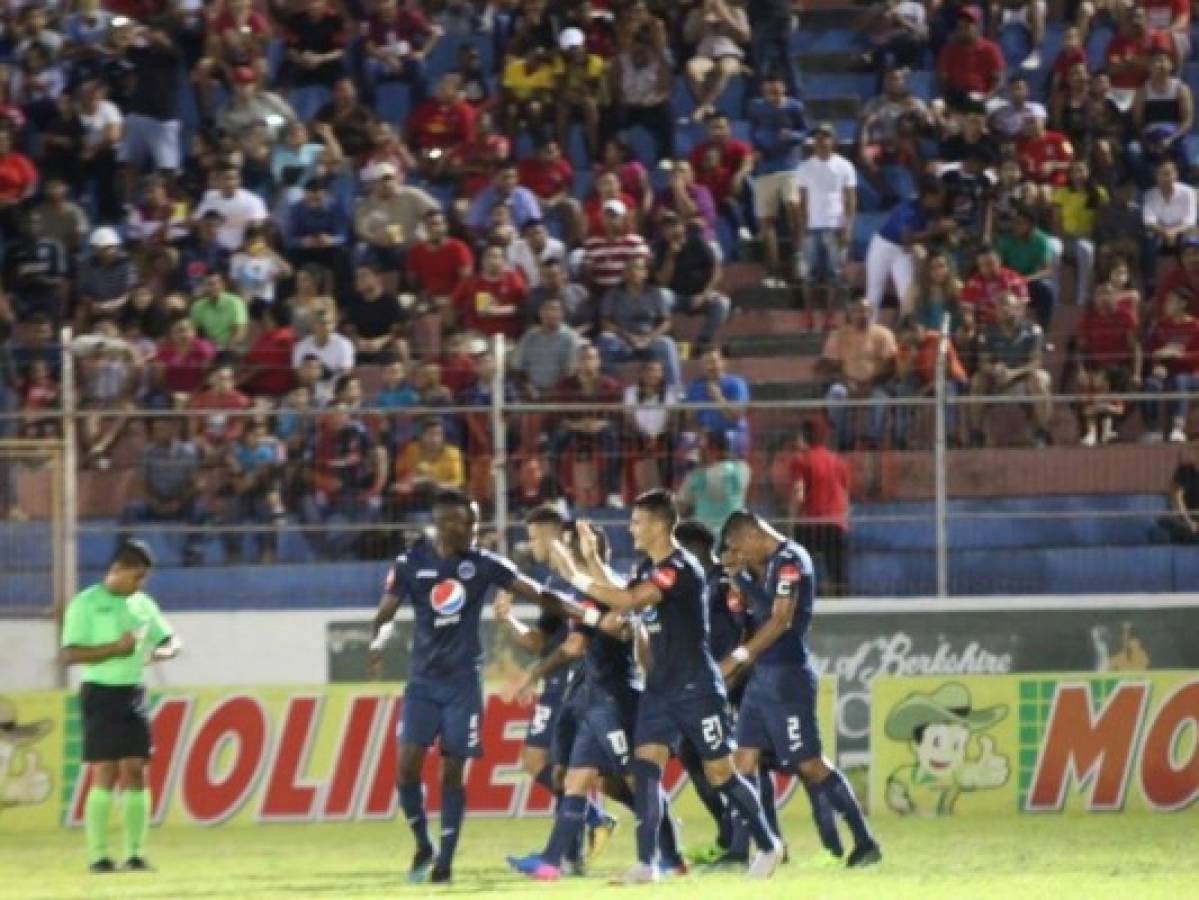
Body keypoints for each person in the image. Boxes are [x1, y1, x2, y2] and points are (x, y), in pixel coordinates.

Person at [550, 493, 783, 882]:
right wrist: (591, 560)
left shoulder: (680, 568)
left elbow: (627, 599)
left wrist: (572, 573)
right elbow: (623, 597)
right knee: (644, 770)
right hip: (659, 688)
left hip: (696, 688)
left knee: (720, 774)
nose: (631, 528)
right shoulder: (649, 567)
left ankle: (768, 844)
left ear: (658, 525)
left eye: (637, 522)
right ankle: (647, 863)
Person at [366, 489, 590, 884]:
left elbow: (538, 594)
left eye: (473, 521)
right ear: (439, 523)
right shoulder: (410, 563)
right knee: (406, 769)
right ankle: (422, 842)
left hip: (463, 685)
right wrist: (377, 641)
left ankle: (445, 862)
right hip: (421, 684)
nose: (470, 529)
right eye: (460, 521)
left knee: (452, 771)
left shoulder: (483, 564)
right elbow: (384, 613)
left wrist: (586, 612)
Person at [720, 510, 881, 868]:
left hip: (787, 675)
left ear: (750, 537)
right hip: (763, 677)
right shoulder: (766, 566)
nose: (740, 556)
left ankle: (865, 841)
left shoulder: (791, 561)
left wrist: (738, 657)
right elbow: (756, 612)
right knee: (743, 761)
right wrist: (740, 585)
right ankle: (737, 852)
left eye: (739, 549)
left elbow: (781, 620)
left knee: (808, 763)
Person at [493, 506, 618, 869]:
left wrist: (532, 675)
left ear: (553, 538)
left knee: (567, 769)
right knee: (550, 766)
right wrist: (508, 619)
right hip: (556, 683)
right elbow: (537, 642)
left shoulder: (582, 585)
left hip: (577, 684)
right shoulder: (556, 590)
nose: (531, 545)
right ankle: (573, 849)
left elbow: (575, 644)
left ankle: (590, 830)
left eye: (534, 537)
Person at [60, 540, 181, 873]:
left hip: (133, 693)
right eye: (137, 577)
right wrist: (116, 648)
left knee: (136, 771)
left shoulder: (143, 604)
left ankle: (135, 854)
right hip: (100, 693)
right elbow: (71, 654)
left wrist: (161, 653)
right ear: (118, 570)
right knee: (105, 773)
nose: (140, 585)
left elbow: (171, 641)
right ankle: (98, 856)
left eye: (144, 580)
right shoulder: (85, 604)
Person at [968, 290, 1054, 447]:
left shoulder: (1033, 330)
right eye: (1000, 307)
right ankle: (976, 433)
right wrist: (994, 369)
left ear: (1019, 309)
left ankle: (1043, 432)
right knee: (977, 380)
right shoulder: (987, 332)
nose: (1004, 310)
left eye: (1009, 306)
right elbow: (983, 362)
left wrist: (1013, 373)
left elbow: (1036, 362)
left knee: (1040, 378)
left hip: (1023, 376)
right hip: (998, 378)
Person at [794, 123, 858, 328]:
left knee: (834, 274)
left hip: (835, 226)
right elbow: (802, 200)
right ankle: (808, 314)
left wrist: (848, 226)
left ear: (834, 140)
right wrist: (801, 228)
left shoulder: (845, 166)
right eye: (819, 138)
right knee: (807, 275)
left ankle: (829, 316)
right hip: (811, 227)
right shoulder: (803, 167)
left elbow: (850, 199)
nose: (822, 141)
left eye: (826, 137)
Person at [118, 417, 206, 566]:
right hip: (154, 502)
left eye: (163, 429)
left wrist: (178, 502)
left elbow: (197, 484)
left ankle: (193, 550)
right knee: (130, 510)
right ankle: (126, 552)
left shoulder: (188, 452)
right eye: (157, 430)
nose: (159, 433)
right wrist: (154, 503)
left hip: (180, 501)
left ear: (174, 430)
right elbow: (141, 483)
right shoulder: (148, 453)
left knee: (199, 510)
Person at [748, 72, 807, 287]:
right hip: (765, 168)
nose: (773, 95)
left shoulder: (794, 107)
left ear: (783, 88)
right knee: (766, 220)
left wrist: (792, 136)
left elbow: (805, 131)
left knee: (793, 204)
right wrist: (756, 149)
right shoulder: (756, 107)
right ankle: (772, 268)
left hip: (788, 166)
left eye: (776, 91)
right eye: (768, 91)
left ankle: (799, 253)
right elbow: (753, 132)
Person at [818, 297, 899, 451]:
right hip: (847, 383)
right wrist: (847, 382)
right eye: (857, 311)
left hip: (876, 384)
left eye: (866, 311)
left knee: (880, 399)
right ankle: (844, 439)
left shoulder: (884, 334)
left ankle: (873, 440)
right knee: (836, 393)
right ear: (850, 313)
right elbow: (830, 365)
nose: (862, 315)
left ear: (872, 313)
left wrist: (870, 384)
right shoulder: (838, 335)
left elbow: (891, 366)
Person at [864, 180, 954, 317]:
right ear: (926, 196)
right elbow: (906, 238)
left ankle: (908, 330)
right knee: (875, 290)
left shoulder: (933, 210)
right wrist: (935, 230)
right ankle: (868, 330)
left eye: (941, 198)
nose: (940, 201)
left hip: (904, 251)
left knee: (907, 292)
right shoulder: (908, 208)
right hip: (884, 246)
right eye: (936, 198)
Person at [788, 419, 850, 597]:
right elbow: (844, 493)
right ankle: (843, 602)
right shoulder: (838, 461)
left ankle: (805, 598)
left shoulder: (801, 460)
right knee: (838, 572)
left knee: (801, 565)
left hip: (811, 522)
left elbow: (798, 492)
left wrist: (791, 521)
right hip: (836, 522)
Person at [597, 255, 681, 387]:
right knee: (604, 340)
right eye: (630, 268)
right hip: (623, 341)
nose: (634, 272)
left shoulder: (655, 293)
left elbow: (667, 322)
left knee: (667, 343)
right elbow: (605, 321)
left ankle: (675, 391)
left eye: (638, 268)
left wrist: (650, 338)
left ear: (645, 273)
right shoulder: (613, 294)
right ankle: (611, 391)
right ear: (624, 273)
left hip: (649, 341)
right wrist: (627, 336)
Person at [652, 212, 730, 350]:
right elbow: (662, 282)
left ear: (682, 227)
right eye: (667, 228)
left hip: (699, 295)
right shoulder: (659, 247)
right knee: (661, 295)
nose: (672, 230)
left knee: (722, 303)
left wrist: (704, 294)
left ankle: (703, 341)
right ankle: (669, 338)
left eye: (674, 225)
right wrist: (671, 256)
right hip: (676, 297)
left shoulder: (696, 241)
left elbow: (716, 270)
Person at [678, 430, 751, 537]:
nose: (701, 451)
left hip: (705, 540)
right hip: (735, 536)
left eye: (704, 448)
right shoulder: (743, 470)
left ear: (714, 450)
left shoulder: (697, 477)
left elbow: (681, 508)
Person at [684, 346, 750, 456]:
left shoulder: (736, 384)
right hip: (704, 433)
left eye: (714, 362)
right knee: (686, 440)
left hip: (731, 433)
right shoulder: (695, 385)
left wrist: (718, 397)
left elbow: (735, 417)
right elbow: (689, 418)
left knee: (723, 439)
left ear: (723, 362)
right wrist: (700, 432)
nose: (711, 366)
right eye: (707, 363)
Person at [1157, 443, 1199, 543]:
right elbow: (1176, 498)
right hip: (1185, 521)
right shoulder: (1184, 471)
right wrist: (1189, 521)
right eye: (1196, 449)